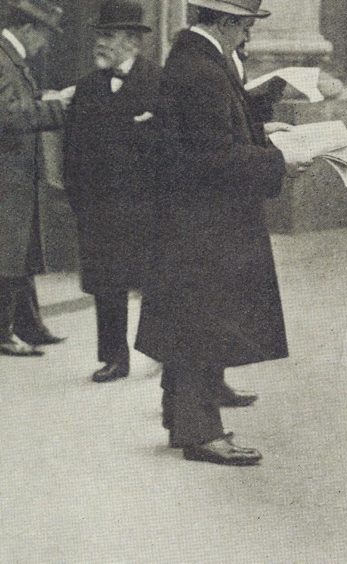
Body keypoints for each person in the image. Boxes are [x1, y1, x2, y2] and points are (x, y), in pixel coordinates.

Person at [134, 0, 310, 466]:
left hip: (191, 219)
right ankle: (202, 434)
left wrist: (260, 131)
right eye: (245, 27)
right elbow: (212, 158)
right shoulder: (205, 70)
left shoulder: (193, 59)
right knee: (202, 323)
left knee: (189, 319)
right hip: (207, 221)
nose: (247, 37)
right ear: (229, 22)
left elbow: (209, 137)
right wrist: (278, 160)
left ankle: (181, 420)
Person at [63, 0, 160, 383]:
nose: (99, 44)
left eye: (108, 37)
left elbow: (170, 148)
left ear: (132, 41)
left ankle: (163, 350)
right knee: (107, 284)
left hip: (146, 205)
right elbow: (73, 150)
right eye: (99, 36)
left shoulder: (159, 81)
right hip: (100, 207)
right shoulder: (87, 87)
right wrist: (79, 200)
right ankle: (114, 357)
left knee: (156, 280)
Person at [0, 0, 69, 358]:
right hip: (6, 175)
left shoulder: (10, 57)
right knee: (7, 254)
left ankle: (27, 325)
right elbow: (8, 115)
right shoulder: (2, 57)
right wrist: (58, 108)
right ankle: (2, 333)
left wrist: (47, 98)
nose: (45, 44)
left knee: (21, 252)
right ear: (29, 29)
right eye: (45, 35)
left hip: (15, 174)